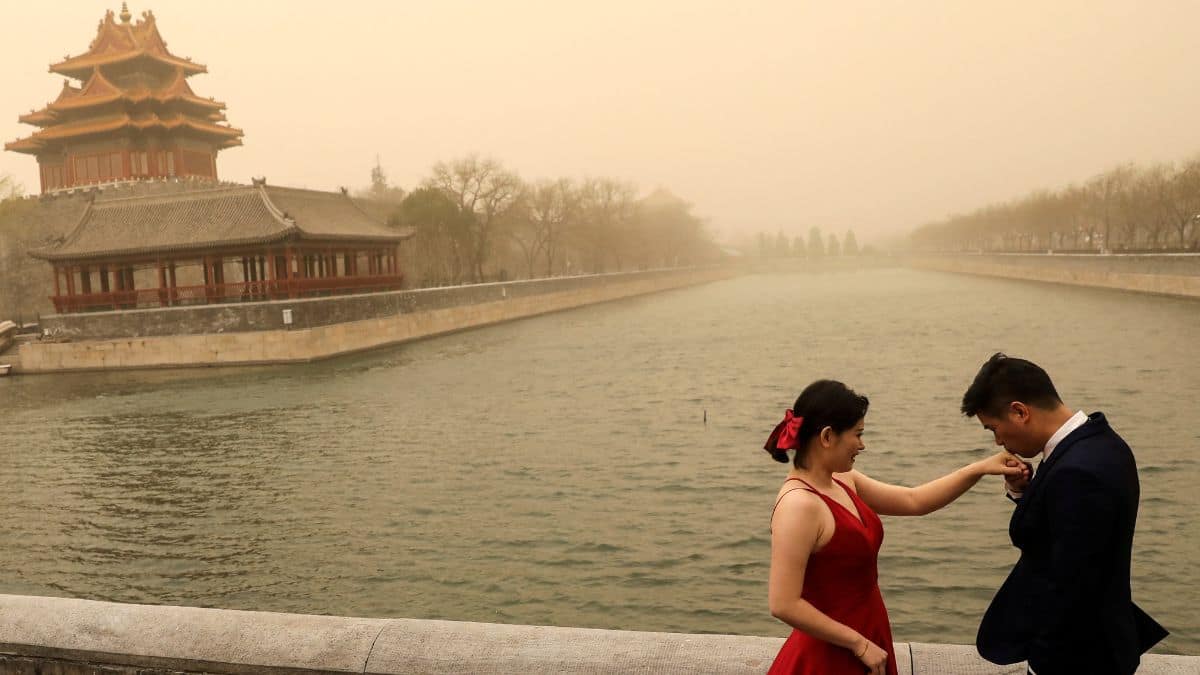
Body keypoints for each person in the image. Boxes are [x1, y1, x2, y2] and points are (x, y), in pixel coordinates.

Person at [766, 379, 1024, 675]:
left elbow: (914, 501)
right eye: (857, 434)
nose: (862, 445)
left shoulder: (842, 480)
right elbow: (783, 604)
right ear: (827, 436)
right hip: (831, 651)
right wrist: (857, 643)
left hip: (868, 633)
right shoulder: (799, 505)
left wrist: (980, 468)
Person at [962, 353, 1167, 675]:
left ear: (1020, 412)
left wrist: (1042, 664)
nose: (999, 441)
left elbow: (1070, 585)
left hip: (1077, 655)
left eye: (994, 429)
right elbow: (1062, 532)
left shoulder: (1078, 471)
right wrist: (1024, 493)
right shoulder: (1101, 442)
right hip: (1096, 641)